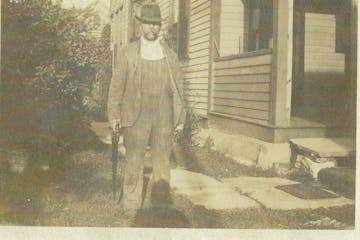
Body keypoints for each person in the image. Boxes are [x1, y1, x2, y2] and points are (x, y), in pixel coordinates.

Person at [107, 3, 185, 216]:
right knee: (134, 158)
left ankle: (160, 202)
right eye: (148, 24)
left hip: (164, 114)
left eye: (156, 24)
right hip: (136, 113)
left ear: (160, 27)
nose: (152, 28)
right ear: (141, 26)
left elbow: (178, 88)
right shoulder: (127, 53)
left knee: (162, 160)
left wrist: (180, 118)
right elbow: (116, 87)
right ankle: (131, 202)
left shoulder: (170, 56)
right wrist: (114, 115)